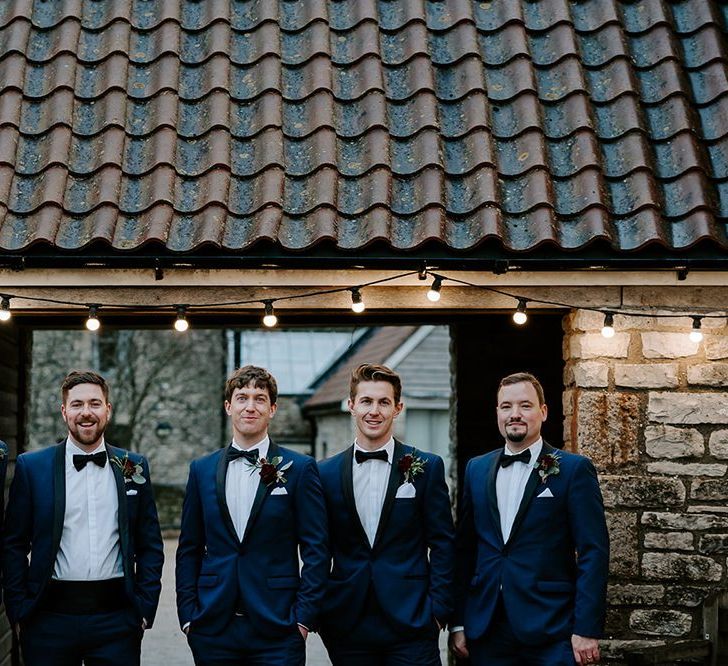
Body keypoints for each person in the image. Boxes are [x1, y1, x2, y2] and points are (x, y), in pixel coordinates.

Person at [2, 370, 164, 666]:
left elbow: (150, 544)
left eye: (94, 403)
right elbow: (13, 544)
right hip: (47, 620)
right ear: (64, 412)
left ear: (108, 409)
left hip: (118, 621)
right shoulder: (31, 467)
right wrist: (19, 609)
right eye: (77, 405)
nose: (86, 413)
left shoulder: (134, 466)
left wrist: (144, 608)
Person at [450, 372, 609, 665]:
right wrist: (458, 622)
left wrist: (586, 629)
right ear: (497, 412)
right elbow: (465, 550)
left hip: (552, 627)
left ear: (543, 411)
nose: (515, 414)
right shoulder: (476, 469)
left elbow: (593, 552)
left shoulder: (573, 470)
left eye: (525, 405)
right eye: (506, 406)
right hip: (486, 628)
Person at [176, 365, 329, 665]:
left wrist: (303, 619)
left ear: (272, 409)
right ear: (228, 406)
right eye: (242, 397)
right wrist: (188, 616)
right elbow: (189, 548)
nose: (250, 406)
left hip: (279, 627)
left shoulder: (299, 469)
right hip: (213, 626)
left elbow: (317, 549)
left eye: (260, 398)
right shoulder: (201, 469)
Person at [318, 363, 455, 665]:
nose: (374, 411)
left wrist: (438, 611)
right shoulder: (324, 473)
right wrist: (323, 609)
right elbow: (317, 547)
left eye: (384, 402)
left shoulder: (426, 467)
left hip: (413, 621)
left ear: (398, 408)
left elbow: (443, 543)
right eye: (366, 401)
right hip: (347, 622)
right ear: (351, 405)